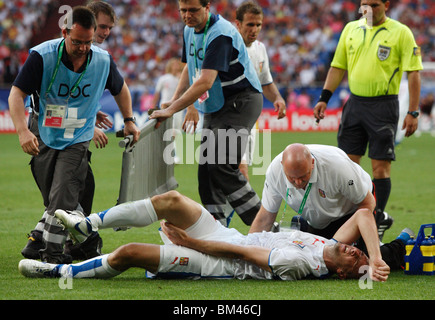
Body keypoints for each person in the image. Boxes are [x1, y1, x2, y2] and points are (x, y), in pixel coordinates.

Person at [19, 189, 404, 282]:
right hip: (229, 234)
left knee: (130, 253)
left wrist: (190, 243)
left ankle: (57, 274)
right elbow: (365, 213)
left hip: (217, 259)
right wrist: (375, 258)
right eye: (356, 252)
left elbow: (241, 258)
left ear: (337, 271)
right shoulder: (331, 246)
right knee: (173, 201)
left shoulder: (302, 263)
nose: (353, 252)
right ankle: (91, 223)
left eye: (353, 258)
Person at [8, 6, 140, 264]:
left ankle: (52, 257)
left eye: (88, 42)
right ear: (64, 32)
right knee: (53, 197)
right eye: (77, 42)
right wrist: (23, 131)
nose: (82, 48)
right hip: (43, 132)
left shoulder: (102, 59)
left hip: (78, 136)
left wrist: (129, 120)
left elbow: (121, 89)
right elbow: (16, 94)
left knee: (64, 195)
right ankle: (79, 241)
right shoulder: (42, 55)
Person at [313, 0, 423, 240]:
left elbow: (413, 73)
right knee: (346, 168)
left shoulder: (401, 32)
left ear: (386, 4)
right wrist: (324, 98)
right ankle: (348, 220)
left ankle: (376, 218)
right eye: (364, 4)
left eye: (374, 4)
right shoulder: (351, 29)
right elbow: (337, 66)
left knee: (379, 168)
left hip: (384, 107)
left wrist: (413, 111)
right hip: (354, 105)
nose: (368, 9)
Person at [149, 0, 263, 226]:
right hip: (218, 104)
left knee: (221, 163)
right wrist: (174, 100)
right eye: (183, 10)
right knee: (206, 172)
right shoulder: (189, 30)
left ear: (207, 7)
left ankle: (264, 225)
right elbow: (189, 68)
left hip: (241, 100)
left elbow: (205, 81)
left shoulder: (220, 34)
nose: (187, 15)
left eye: (193, 10)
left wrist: (172, 109)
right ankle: (217, 228)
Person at [249, 143, 406, 270]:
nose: (297, 183)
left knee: (355, 261)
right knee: (314, 256)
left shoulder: (337, 167)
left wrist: (366, 249)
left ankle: (403, 245)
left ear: (312, 163)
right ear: (283, 166)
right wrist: (247, 251)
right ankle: (305, 225)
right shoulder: (274, 171)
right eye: (292, 178)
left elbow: (366, 205)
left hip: (352, 213)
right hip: (319, 218)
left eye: (303, 177)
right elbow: (265, 217)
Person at [235, 1, 286, 181]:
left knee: (239, 174)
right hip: (231, 119)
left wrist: (277, 98)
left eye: (258, 25)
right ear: (238, 24)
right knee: (239, 173)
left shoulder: (260, 48)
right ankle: (248, 210)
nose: (255, 29)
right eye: (250, 24)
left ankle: (220, 210)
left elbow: (266, 82)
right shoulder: (228, 48)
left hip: (251, 122)